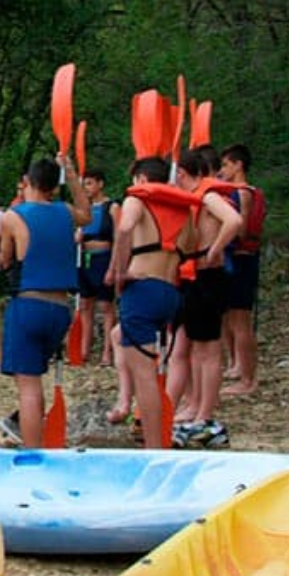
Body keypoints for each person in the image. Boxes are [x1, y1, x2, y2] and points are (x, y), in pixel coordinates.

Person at [0, 156, 90, 447]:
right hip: (61, 310)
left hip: (29, 305)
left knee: (28, 384)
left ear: (28, 182)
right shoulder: (66, 212)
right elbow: (87, 213)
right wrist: (72, 174)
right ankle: (37, 438)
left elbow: (4, 260)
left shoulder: (13, 216)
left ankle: (33, 451)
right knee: (36, 378)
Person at [107, 157, 198, 448]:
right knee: (125, 341)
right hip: (170, 293)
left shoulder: (137, 200)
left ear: (142, 179)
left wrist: (120, 272)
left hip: (143, 288)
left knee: (144, 376)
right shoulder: (183, 209)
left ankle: (155, 447)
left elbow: (124, 230)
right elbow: (193, 245)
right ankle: (151, 429)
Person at [171, 147, 243, 447]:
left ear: (185, 173)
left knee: (208, 350)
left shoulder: (208, 195)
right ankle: (196, 406)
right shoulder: (193, 197)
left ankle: (205, 413)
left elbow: (234, 221)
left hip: (208, 277)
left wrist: (215, 250)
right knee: (194, 349)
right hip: (192, 276)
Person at [218, 144, 261, 396]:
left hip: (243, 259)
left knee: (242, 321)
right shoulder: (232, 191)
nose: (223, 170)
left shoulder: (242, 193)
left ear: (238, 165)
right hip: (235, 260)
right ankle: (241, 370)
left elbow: (241, 230)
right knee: (234, 319)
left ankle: (248, 379)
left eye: (226, 165)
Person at [77, 168, 120, 367]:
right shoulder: (83, 209)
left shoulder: (111, 207)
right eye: (84, 184)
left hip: (104, 258)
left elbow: (119, 238)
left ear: (100, 184)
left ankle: (107, 352)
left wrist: (114, 266)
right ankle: (84, 350)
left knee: (106, 306)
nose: (86, 188)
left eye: (90, 183)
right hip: (85, 258)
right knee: (85, 304)